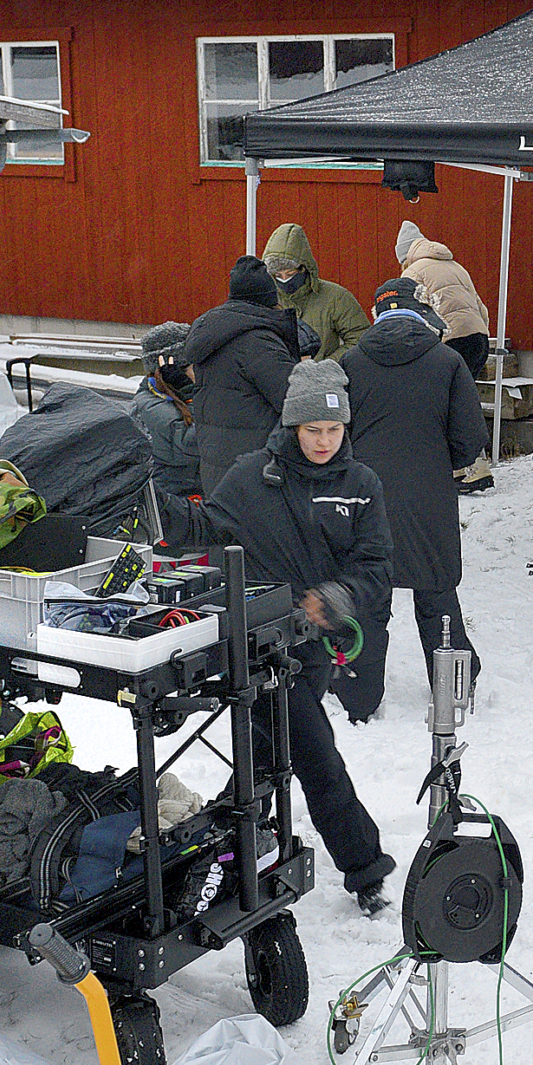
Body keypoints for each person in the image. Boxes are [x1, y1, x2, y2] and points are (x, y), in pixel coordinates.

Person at [184, 358, 396, 915]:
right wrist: (172, 524)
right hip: (255, 641)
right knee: (313, 752)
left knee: (263, 750)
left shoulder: (361, 484)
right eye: (312, 430)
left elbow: (375, 564)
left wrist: (337, 597)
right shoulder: (253, 475)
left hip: (314, 644)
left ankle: (220, 840)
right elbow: (211, 533)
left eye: (333, 429)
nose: (323, 441)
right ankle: (364, 865)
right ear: (291, 427)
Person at [335, 281, 488, 724]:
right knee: (436, 594)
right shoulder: (447, 362)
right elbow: (469, 439)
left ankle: (358, 698)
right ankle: (456, 686)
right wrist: (442, 464)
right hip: (429, 501)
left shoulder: (351, 362)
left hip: (365, 500)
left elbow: (335, 434)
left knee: (367, 599)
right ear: (422, 311)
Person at [185, 256, 306, 495]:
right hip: (256, 471)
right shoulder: (258, 342)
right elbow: (295, 401)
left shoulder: (214, 333)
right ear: (268, 300)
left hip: (218, 467)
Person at [394, 219, 495, 492]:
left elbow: (415, 315)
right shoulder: (454, 265)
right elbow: (481, 308)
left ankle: (465, 467)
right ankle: (471, 465)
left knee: (442, 407)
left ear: (405, 255)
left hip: (449, 342)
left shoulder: (412, 272)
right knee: (465, 403)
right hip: (478, 339)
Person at [260, 221, 368, 361]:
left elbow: (360, 338)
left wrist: (326, 365)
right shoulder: (266, 301)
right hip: (278, 379)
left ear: (304, 268)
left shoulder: (336, 297)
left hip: (324, 379)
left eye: (290, 273)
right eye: (278, 276)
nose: (285, 279)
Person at [129, 321, 201, 502]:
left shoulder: (177, 398)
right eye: (195, 368)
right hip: (176, 505)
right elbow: (195, 445)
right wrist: (193, 397)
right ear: (175, 371)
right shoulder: (149, 406)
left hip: (196, 497)